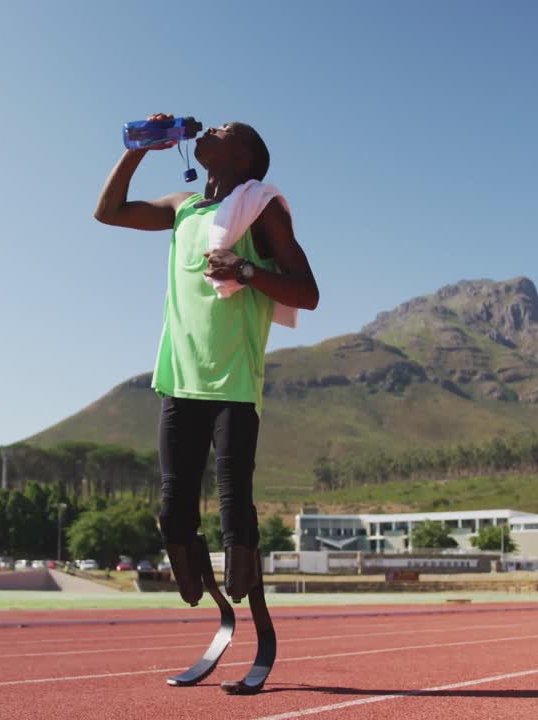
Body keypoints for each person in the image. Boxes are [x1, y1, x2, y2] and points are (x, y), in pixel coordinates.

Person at [94, 114, 319, 606]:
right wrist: (140, 149)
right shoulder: (184, 207)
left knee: (234, 502)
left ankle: (246, 590)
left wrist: (246, 269)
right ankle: (200, 591)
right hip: (180, 378)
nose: (210, 130)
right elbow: (107, 212)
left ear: (245, 158)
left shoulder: (261, 210)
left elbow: (308, 293)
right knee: (174, 507)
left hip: (233, 381)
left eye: (224, 129)